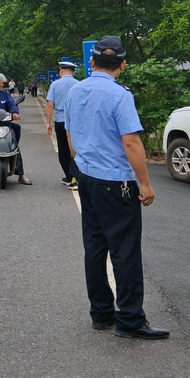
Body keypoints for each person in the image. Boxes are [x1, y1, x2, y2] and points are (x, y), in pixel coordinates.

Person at [64, 36, 167, 339]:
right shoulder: (120, 95)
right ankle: (131, 320)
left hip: (86, 176)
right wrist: (145, 184)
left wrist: (84, 160)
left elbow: (69, 136)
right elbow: (131, 141)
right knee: (124, 251)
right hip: (116, 181)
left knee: (95, 246)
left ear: (91, 63)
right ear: (122, 65)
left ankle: (101, 313)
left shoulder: (75, 91)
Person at [46, 60, 80, 190]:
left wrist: (48, 123)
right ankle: (74, 177)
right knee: (75, 149)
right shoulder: (79, 84)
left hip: (61, 121)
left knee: (63, 151)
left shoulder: (55, 84)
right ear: (73, 72)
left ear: (61, 71)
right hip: (76, 122)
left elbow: (50, 104)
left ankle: (71, 176)